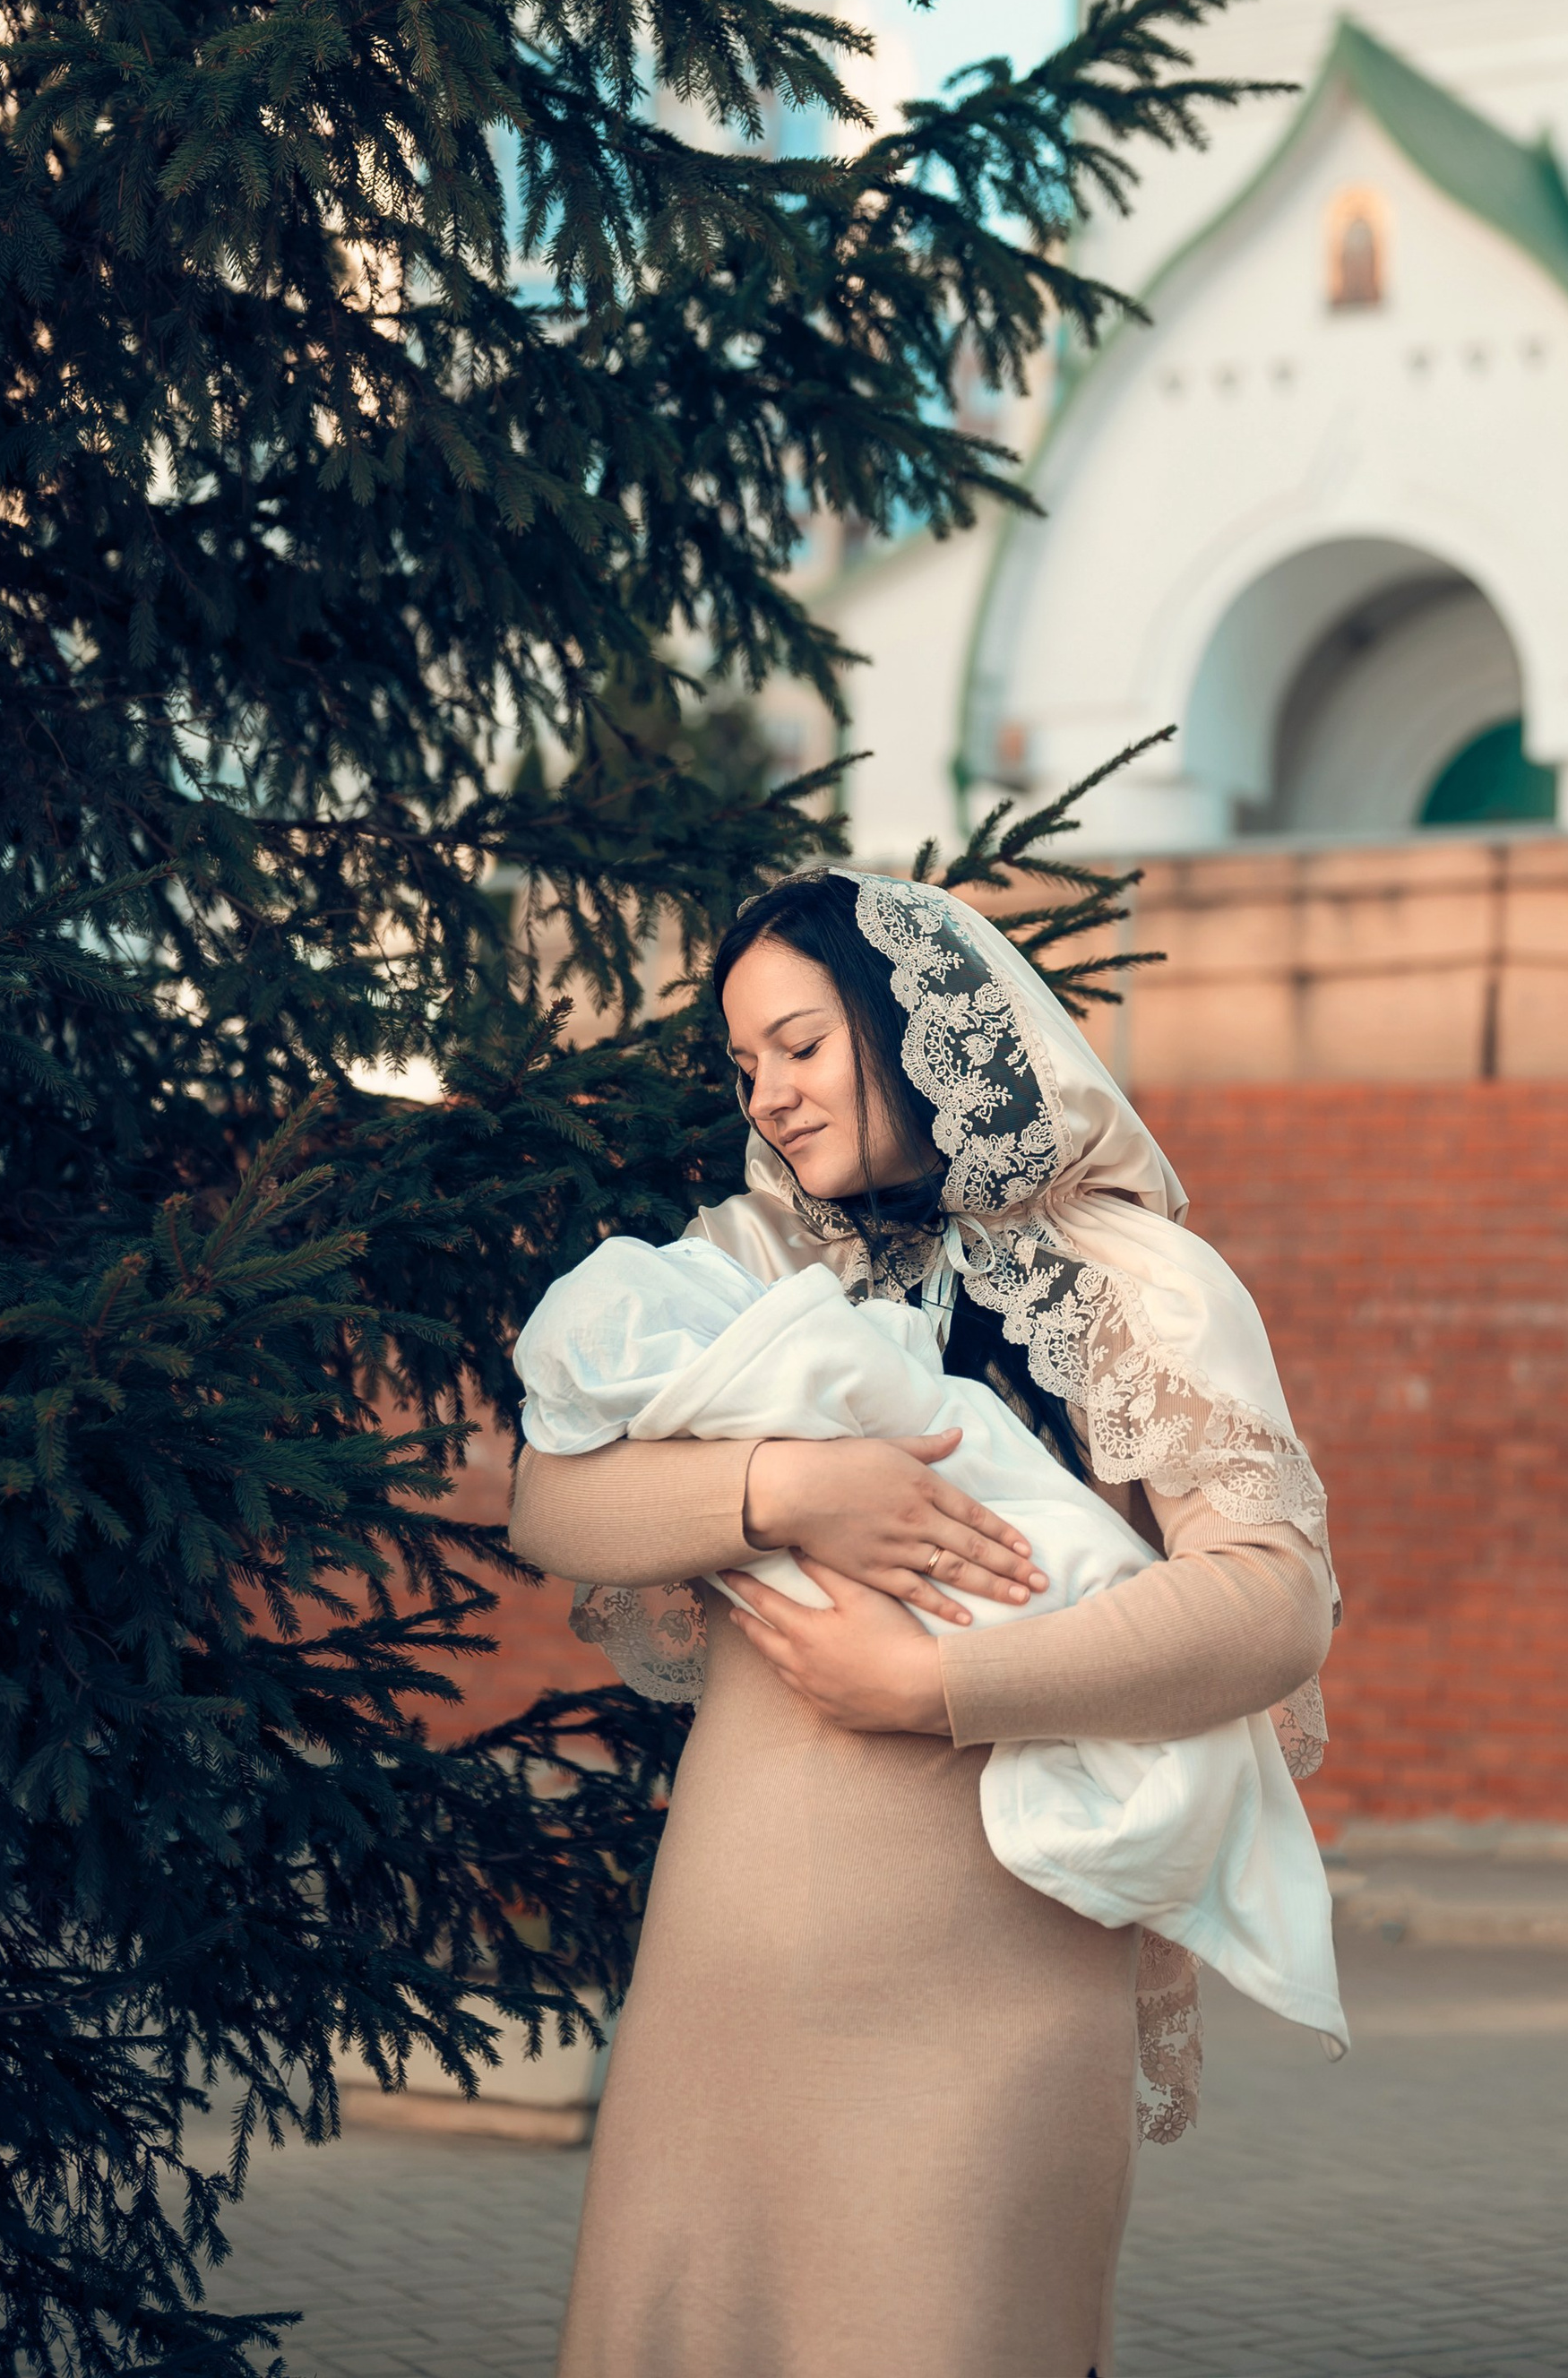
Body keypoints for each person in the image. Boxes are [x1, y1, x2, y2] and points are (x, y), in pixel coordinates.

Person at [509, 868, 1338, 2378]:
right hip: (730, 1954)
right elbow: (549, 1502)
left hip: (996, 1970)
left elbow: (1270, 1604)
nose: (769, 1095)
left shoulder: (1136, 1283)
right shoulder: (745, 1264)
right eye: (744, 1064)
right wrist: (791, 1488)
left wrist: (934, 1681)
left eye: (802, 1044)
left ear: (913, 1029)